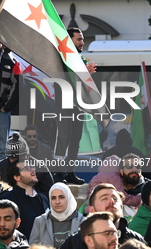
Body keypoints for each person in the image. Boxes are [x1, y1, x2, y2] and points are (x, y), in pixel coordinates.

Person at [53, 28, 97, 185]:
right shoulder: (63, 58)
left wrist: (87, 75)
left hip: (78, 105)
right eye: (79, 39)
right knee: (63, 138)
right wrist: (84, 73)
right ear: (69, 40)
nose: (82, 42)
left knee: (75, 140)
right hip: (64, 104)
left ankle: (70, 172)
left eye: (82, 39)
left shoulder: (81, 59)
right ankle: (58, 172)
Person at [60, 183, 145, 249]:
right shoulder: (75, 242)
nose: (111, 201)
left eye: (115, 199)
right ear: (92, 210)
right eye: (104, 198)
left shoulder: (136, 240)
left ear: (121, 207)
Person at [0, 157, 49, 240]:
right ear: (17, 177)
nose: (33, 170)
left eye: (32, 167)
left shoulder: (43, 199)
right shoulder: (5, 199)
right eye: (27, 168)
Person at [0, 132, 54, 197]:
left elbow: (49, 192)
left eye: (20, 158)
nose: (17, 162)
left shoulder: (40, 167)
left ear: (27, 156)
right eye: (13, 159)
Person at [29, 182, 84, 248]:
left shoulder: (82, 221)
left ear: (68, 198)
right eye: (53, 198)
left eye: (61, 197)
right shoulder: (40, 221)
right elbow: (33, 247)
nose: (57, 202)